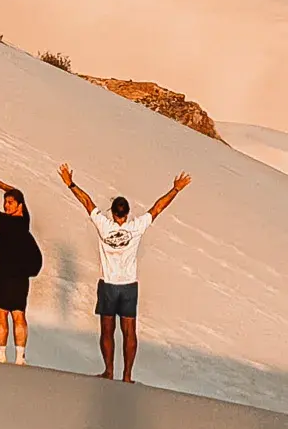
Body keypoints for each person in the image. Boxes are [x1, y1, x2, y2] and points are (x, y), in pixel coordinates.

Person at [60, 164, 190, 382]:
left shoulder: (104, 226)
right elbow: (157, 208)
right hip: (129, 286)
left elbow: (87, 202)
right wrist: (175, 189)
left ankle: (109, 371)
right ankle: (127, 376)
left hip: (109, 285)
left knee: (107, 331)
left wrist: (71, 184)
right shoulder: (135, 227)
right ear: (128, 213)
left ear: (112, 212)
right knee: (129, 332)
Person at [0, 179, 42, 364]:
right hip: (19, 277)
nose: (6, 206)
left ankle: (2, 354)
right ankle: (19, 357)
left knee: (3, 314)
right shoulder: (25, 220)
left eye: (10, 203)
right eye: (5, 203)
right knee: (18, 314)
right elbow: (19, 194)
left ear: (19, 206)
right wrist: (3, 187)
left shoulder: (5, 221)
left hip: (2, 275)